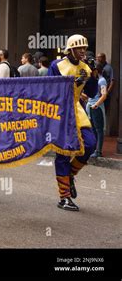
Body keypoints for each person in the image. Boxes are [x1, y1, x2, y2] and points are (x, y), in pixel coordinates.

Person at [47, 34, 97, 211]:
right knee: (63, 151)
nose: (83, 50)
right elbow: (49, 90)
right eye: (79, 48)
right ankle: (64, 197)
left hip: (76, 108)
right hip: (60, 109)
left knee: (90, 144)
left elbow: (91, 92)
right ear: (71, 49)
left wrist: (94, 75)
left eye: (84, 47)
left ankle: (70, 173)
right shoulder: (56, 65)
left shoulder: (86, 68)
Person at [86, 62, 107, 158]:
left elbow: (104, 95)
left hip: (96, 108)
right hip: (91, 106)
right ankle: (94, 149)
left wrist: (96, 105)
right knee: (93, 129)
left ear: (96, 71)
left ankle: (98, 151)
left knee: (99, 130)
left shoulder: (102, 81)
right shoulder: (95, 80)